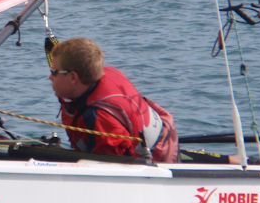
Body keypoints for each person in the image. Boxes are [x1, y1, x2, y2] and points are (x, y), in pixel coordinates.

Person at [48, 37, 179, 162]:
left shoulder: (101, 119)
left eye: (54, 72)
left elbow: (111, 168)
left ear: (73, 78)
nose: (50, 77)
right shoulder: (92, 77)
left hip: (158, 160)